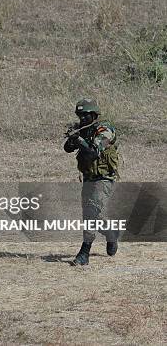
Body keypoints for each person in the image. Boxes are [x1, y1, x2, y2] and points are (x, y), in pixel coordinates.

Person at [64, 98, 120, 265]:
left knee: (90, 212)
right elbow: (67, 149)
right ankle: (111, 233)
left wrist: (80, 140)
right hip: (89, 177)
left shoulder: (105, 129)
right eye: (79, 115)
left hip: (104, 178)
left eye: (85, 115)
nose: (82, 118)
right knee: (92, 214)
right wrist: (73, 138)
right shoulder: (84, 129)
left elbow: (93, 153)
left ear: (94, 115)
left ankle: (84, 253)